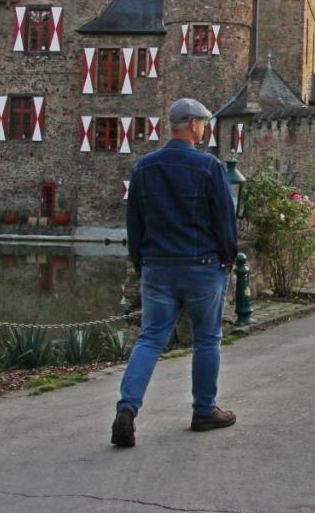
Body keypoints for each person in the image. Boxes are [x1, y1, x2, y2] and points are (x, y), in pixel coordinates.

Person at [111, 98, 240, 448]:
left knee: (150, 339)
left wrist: (141, 262)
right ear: (195, 125)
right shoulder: (208, 167)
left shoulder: (144, 167)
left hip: (157, 266)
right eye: (204, 123)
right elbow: (224, 221)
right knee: (207, 339)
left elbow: (134, 223)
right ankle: (203, 410)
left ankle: (127, 408)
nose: (205, 128)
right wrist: (227, 259)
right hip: (201, 266)